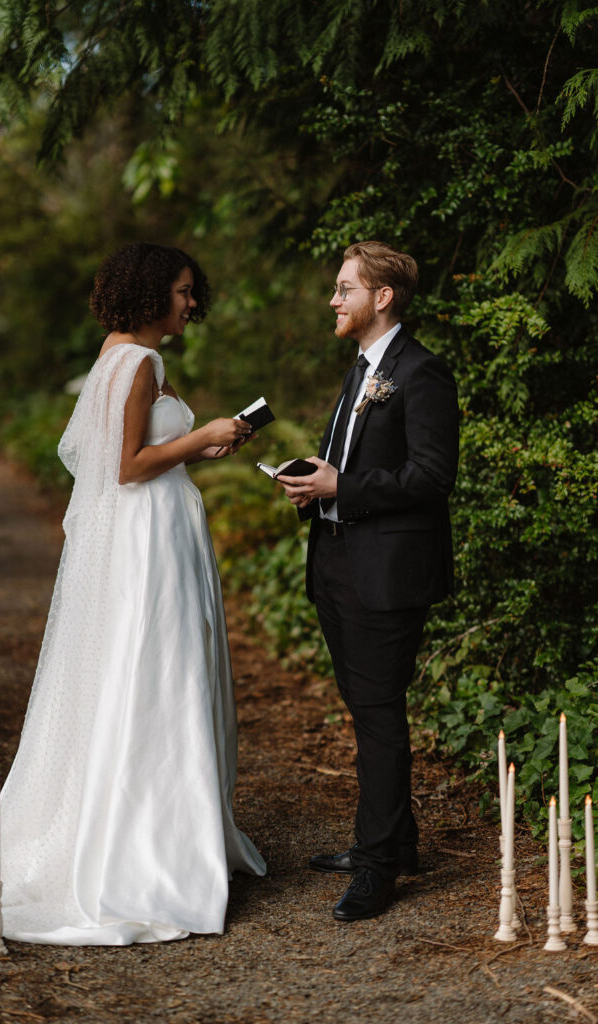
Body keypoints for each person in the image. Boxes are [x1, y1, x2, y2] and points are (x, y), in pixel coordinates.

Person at [0, 242, 266, 944]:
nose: (191, 302)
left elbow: (114, 455)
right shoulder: (138, 361)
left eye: (191, 291)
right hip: (146, 536)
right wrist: (201, 433)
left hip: (154, 530)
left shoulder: (118, 353)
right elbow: (123, 467)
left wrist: (202, 447)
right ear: (150, 293)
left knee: (153, 668)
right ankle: (147, 848)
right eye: (181, 291)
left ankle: (168, 826)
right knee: (159, 671)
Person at [276, 240, 458, 922]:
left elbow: (433, 477)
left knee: (379, 719)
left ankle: (378, 867)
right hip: (336, 565)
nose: (333, 299)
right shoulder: (361, 369)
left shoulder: (421, 371)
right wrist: (316, 488)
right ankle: (393, 841)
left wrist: (342, 485)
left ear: (381, 297)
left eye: (344, 288)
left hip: (386, 576)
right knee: (366, 711)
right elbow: (350, 463)